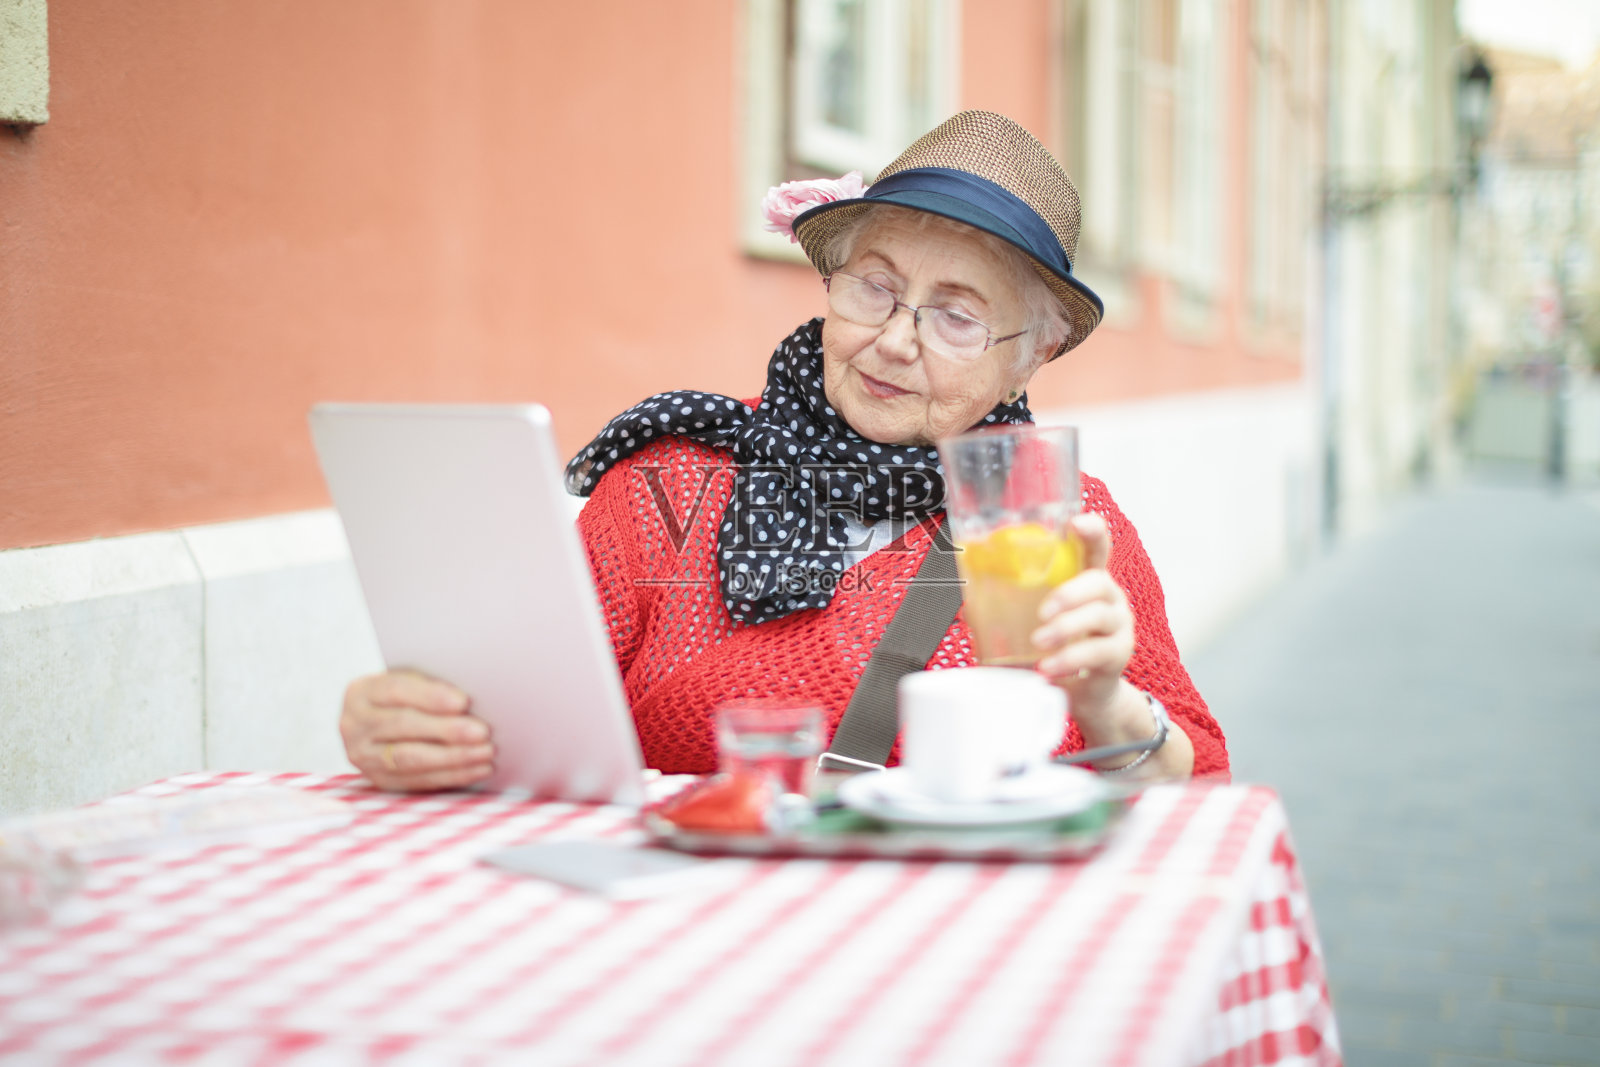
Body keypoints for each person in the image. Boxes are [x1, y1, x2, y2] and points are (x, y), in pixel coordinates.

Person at [338, 110, 1229, 791]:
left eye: (957, 316)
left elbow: (1197, 790)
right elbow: (522, 721)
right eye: (875, 286)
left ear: (1028, 357)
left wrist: (1105, 701)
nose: (894, 340)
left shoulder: (1063, 520)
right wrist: (417, 726)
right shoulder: (665, 478)